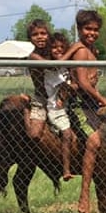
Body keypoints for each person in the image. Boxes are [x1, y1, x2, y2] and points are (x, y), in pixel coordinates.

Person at [71, 10, 106, 213]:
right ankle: (84, 195)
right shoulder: (82, 51)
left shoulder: (93, 50)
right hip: (78, 106)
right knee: (94, 141)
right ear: (79, 29)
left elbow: (92, 83)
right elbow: (83, 83)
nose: (92, 33)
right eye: (87, 29)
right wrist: (104, 100)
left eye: (95, 29)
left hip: (91, 104)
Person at [45, 32, 76, 181]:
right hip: (56, 110)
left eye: (62, 47)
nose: (58, 50)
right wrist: (77, 85)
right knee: (67, 133)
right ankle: (66, 169)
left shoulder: (65, 67)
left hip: (68, 108)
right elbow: (65, 88)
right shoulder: (50, 70)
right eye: (54, 47)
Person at [25, 19, 52, 141]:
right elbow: (50, 66)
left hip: (59, 99)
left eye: (43, 33)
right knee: (34, 134)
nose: (40, 37)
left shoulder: (54, 52)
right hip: (42, 99)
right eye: (35, 34)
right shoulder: (33, 56)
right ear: (30, 38)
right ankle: (26, 108)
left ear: (48, 35)